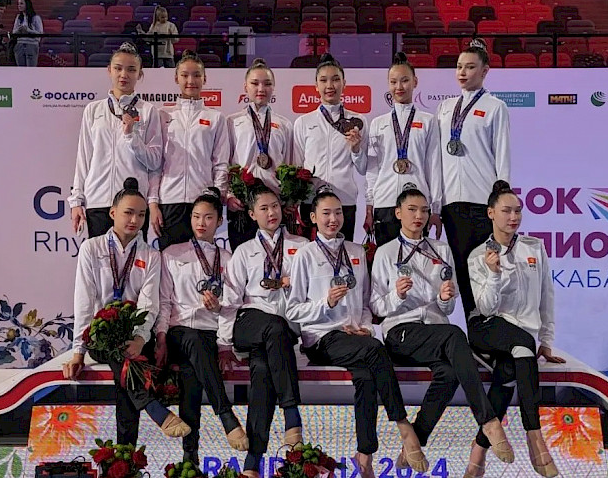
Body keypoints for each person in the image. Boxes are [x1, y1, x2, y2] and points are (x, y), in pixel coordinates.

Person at [369, 185, 513, 474]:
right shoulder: (385, 253)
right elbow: (375, 306)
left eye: (424, 211)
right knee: (455, 334)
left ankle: (416, 441)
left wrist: (446, 298)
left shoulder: (442, 250)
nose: (419, 216)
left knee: (449, 374)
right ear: (398, 213)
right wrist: (397, 295)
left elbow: (446, 309)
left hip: (435, 332)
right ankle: (488, 420)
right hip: (401, 332)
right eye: (412, 210)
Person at [287, 189, 427, 478]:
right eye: (326, 213)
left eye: (338, 212)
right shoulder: (305, 255)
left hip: (354, 337)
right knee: (376, 350)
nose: (333, 219)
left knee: (366, 378)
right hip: (322, 337)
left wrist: (365, 327)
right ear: (313, 217)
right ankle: (404, 427)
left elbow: (364, 303)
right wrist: (326, 303)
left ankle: (365, 455)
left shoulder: (356, 252)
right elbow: (293, 310)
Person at [63, 178, 190, 445]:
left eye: (141, 215)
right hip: (100, 337)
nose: (135, 220)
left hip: (137, 338)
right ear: (112, 213)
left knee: (126, 369)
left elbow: (149, 304)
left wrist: (141, 338)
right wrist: (78, 352)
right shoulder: (91, 248)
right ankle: (154, 410)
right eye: (128, 213)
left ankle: (126, 453)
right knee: (119, 352)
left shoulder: (151, 255)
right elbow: (84, 301)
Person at [466, 180, 566, 478]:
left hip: (522, 337)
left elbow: (547, 294)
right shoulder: (477, 256)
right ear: (491, 213)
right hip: (488, 328)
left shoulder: (534, 247)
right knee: (522, 343)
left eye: (518, 211)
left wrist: (546, 340)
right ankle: (534, 436)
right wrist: (493, 273)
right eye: (506, 211)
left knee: (508, 373)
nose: (514, 217)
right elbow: (486, 309)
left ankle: (478, 452)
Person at [156, 187, 249, 464]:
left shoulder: (229, 259)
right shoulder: (172, 254)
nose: (201, 223)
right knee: (193, 343)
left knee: (191, 372)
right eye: (196, 216)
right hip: (179, 332)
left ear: (219, 221)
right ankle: (226, 415)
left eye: (208, 217)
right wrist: (161, 337)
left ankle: (190, 454)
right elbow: (164, 302)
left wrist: (221, 323)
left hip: (211, 334)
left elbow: (233, 307)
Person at [223, 185, 309, 478]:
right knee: (273, 326)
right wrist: (224, 342)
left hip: (283, 329)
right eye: (263, 208)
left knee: (261, 372)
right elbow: (231, 299)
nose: (271, 212)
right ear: (251, 214)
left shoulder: (302, 246)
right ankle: (291, 414)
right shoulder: (244, 251)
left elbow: (311, 291)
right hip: (250, 321)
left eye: (275, 206)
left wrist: (294, 285)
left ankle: (252, 461)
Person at [436, 38, 510, 319]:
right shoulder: (445, 108)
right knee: (461, 270)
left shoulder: (495, 107)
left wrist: (500, 202)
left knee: (482, 268)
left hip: (481, 202)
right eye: (459, 67)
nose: (462, 72)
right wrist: (436, 203)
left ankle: (489, 327)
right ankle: (473, 326)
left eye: (470, 67)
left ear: (485, 70)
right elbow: (435, 158)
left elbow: (502, 154)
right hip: (451, 202)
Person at [69, 42, 163, 239]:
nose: (124, 74)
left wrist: (131, 136)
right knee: (101, 258)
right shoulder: (93, 110)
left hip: (133, 203)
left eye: (131, 69)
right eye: (118, 68)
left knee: (134, 258)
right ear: (109, 70)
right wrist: (77, 201)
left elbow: (155, 162)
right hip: (98, 200)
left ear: (140, 74)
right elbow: (84, 158)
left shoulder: (148, 111)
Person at [149, 50, 229, 250]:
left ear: (205, 78)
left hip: (203, 201)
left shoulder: (215, 118)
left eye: (196, 75)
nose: (191, 81)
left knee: (203, 259)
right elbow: (156, 164)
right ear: (176, 78)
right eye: (185, 75)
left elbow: (220, 163)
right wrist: (153, 203)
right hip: (170, 201)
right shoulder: (163, 115)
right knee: (171, 260)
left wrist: (216, 199)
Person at [365, 52, 442, 246]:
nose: (399, 87)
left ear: (415, 82)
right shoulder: (378, 123)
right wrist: (370, 205)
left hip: (417, 204)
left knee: (417, 259)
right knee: (386, 259)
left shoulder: (428, 121)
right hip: (385, 203)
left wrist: (435, 208)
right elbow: (373, 169)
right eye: (393, 82)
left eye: (405, 80)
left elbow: (433, 166)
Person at [293, 53, 367, 241]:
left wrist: (356, 149)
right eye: (323, 80)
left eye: (335, 79)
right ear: (316, 86)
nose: (330, 85)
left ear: (344, 84)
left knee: (343, 252)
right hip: (311, 201)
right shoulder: (303, 122)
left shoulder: (357, 121)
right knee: (311, 253)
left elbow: (363, 167)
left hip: (344, 200)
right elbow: (297, 166)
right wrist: (297, 199)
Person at [226, 58, 294, 251]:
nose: (261, 89)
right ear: (245, 87)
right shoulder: (232, 122)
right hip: (242, 204)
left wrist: (290, 199)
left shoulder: (284, 124)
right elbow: (225, 163)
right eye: (255, 83)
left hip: (275, 204)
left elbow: (290, 163)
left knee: (277, 257)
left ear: (273, 88)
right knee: (243, 256)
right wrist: (229, 195)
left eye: (267, 84)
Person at [12, 0, 43, 67]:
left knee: (31, 68)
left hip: (31, 44)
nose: (19, 6)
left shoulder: (36, 17)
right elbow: (14, 32)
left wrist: (28, 30)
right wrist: (19, 30)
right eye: (18, 4)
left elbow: (40, 33)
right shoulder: (19, 17)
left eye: (21, 4)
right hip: (20, 44)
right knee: (20, 68)